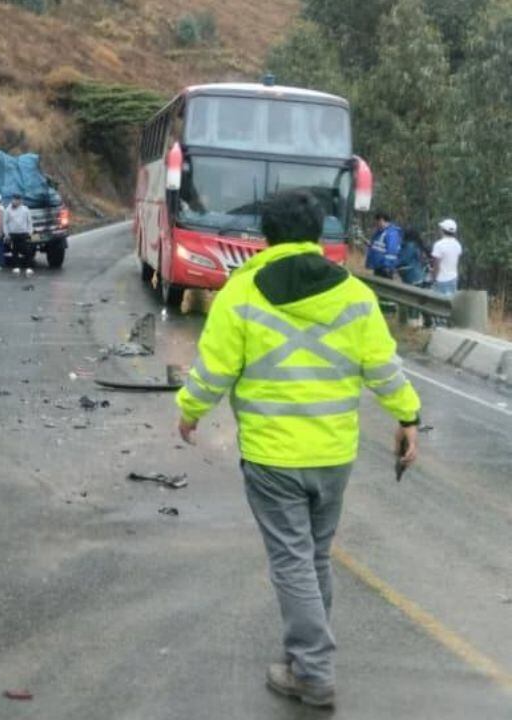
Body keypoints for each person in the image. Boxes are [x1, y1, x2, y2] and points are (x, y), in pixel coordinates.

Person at [176, 190, 421, 709]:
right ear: (317, 235)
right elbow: (383, 369)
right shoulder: (355, 295)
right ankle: (301, 658)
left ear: (266, 235)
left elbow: (214, 369)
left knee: (292, 561)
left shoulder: (241, 293)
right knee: (314, 557)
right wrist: (408, 417)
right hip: (333, 455)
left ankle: (312, 670)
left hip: (272, 456)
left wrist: (190, 410)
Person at [431, 218, 463, 297]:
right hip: (453, 278)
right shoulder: (458, 245)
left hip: (441, 279)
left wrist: (433, 277)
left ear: (442, 230)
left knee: (439, 306)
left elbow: (436, 265)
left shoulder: (438, 245)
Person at [4, 193, 34, 276]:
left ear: (20, 201)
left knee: (27, 250)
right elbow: (5, 223)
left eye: (17, 200)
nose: (15, 201)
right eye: (14, 199)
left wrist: (30, 232)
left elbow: (29, 221)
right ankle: (16, 267)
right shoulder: (8, 210)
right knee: (14, 251)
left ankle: (28, 267)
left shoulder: (25, 209)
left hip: (24, 233)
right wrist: (7, 234)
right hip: (13, 234)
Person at [366, 210, 402, 279]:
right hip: (378, 266)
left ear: (382, 220)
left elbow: (392, 252)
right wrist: (370, 245)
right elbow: (378, 247)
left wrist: (387, 266)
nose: (376, 224)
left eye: (378, 221)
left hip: (385, 269)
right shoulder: (379, 232)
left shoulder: (391, 233)